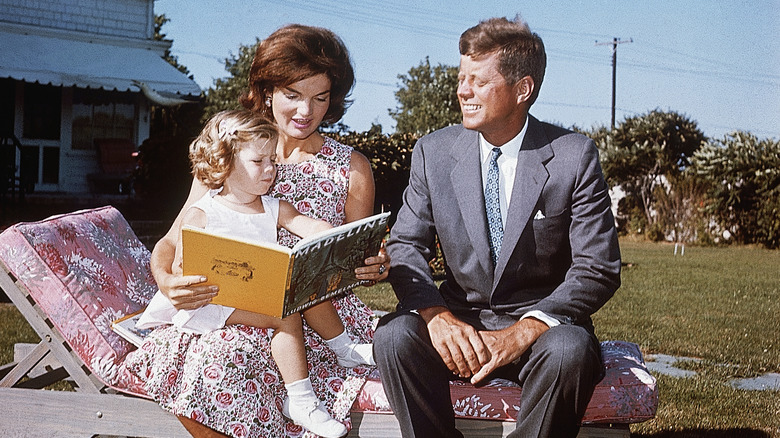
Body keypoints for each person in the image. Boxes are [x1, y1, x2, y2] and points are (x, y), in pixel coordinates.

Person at [121, 24, 388, 438]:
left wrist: (372, 265)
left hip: (316, 321)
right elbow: (173, 241)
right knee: (216, 363)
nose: (306, 111)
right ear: (267, 93)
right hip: (229, 308)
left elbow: (355, 253)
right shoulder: (228, 156)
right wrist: (167, 280)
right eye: (293, 95)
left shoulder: (351, 168)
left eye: (320, 98)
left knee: (234, 361)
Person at [373, 16, 621, 438]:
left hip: (540, 327)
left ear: (522, 89)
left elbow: (597, 267)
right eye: (461, 77)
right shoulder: (433, 152)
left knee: (570, 350)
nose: (462, 91)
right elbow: (405, 247)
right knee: (394, 337)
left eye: (478, 81)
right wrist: (437, 317)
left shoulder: (572, 156)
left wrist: (524, 331)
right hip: (459, 318)